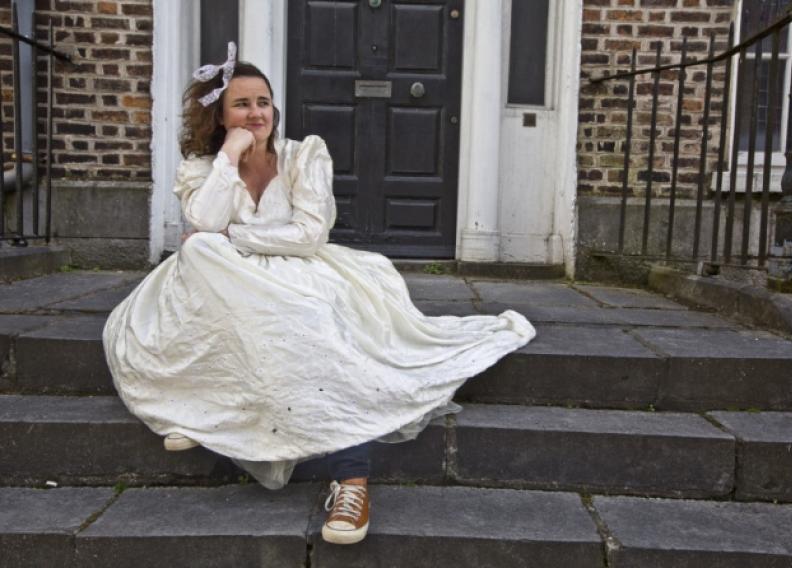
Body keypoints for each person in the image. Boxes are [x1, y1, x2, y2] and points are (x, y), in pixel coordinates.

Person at [102, 43, 535, 546]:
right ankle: (202, 404)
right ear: (220, 116)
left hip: (299, 272)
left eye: (263, 101)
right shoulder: (203, 169)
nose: (256, 112)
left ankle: (352, 479)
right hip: (222, 276)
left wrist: (235, 238)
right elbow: (203, 223)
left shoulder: (304, 155)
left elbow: (309, 235)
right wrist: (228, 157)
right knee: (200, 254)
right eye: (241, 104)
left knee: (302, 316)